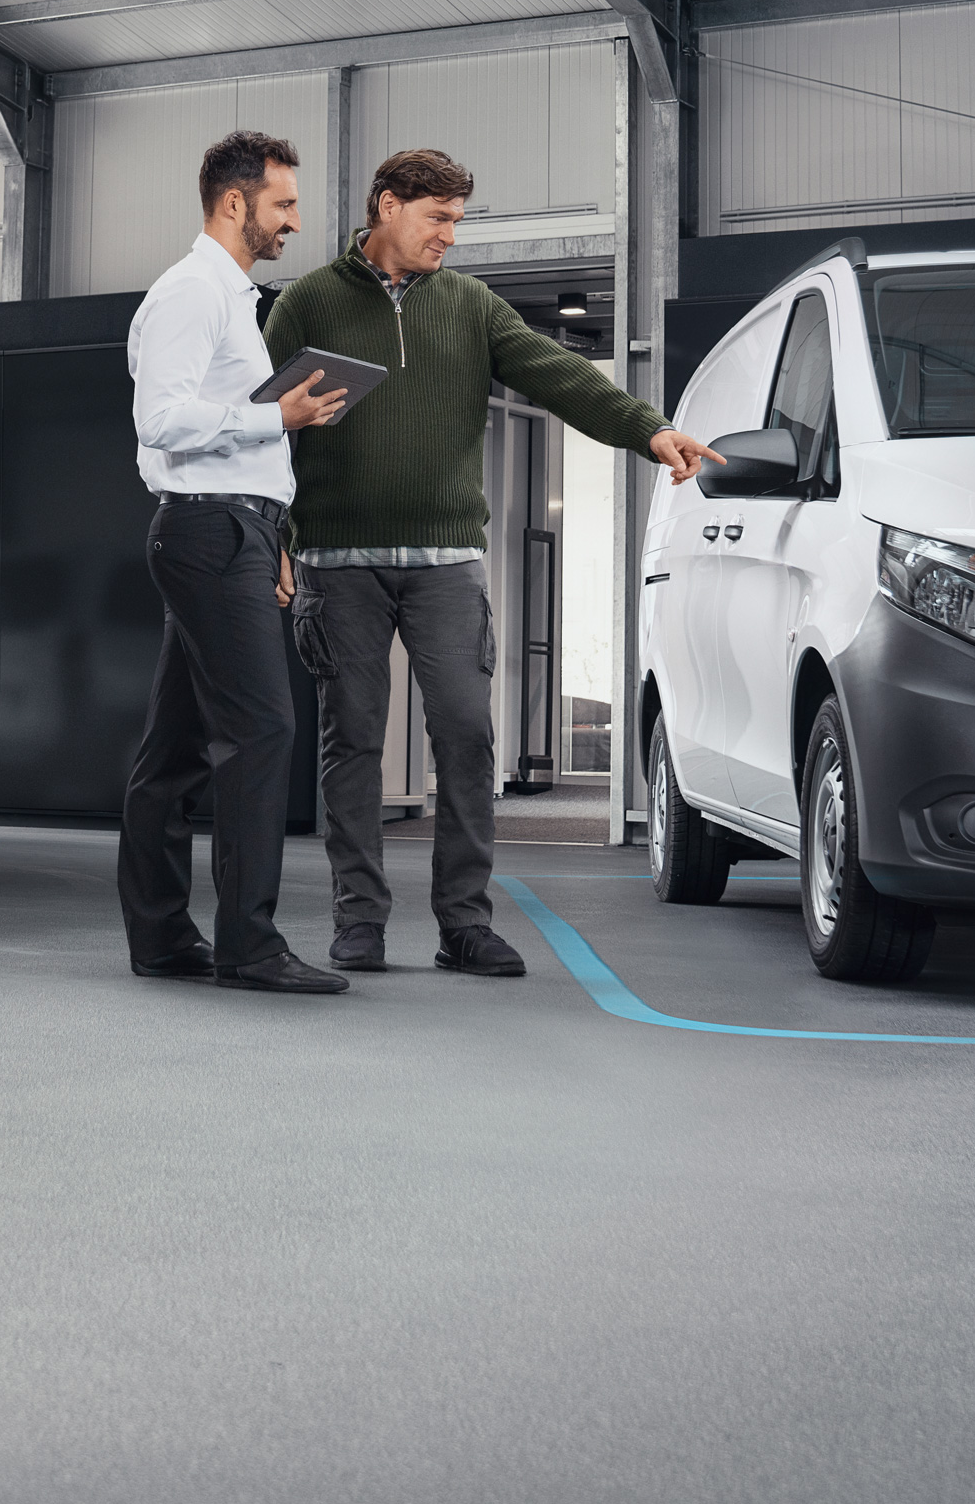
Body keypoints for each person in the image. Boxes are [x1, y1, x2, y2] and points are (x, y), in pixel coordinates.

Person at [266, 148, 721, 974]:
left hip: (447, 564)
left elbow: (562, 376)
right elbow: (254, 427)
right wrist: (273, 538)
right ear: (387, 206)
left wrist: (648, 430)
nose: (450, 236)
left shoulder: (471, 305)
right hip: (338, 564)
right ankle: (358, 919)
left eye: (457, 222)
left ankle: (464, 923)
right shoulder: (307, 303)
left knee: (469, 737)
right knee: (352, 742)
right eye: (437, 218)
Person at [118, 129, 353, 994]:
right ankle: (248, 946)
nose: (294, 220)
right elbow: (162, 421)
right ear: (234, 203)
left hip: (235, 532)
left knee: (174, 750)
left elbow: (223, 435)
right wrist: (275, 419)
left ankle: (159, 937)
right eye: (283, 204)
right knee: (262, 729)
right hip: (209, 533)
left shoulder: (232, 300)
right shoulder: (192, 293)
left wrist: (274, 533)